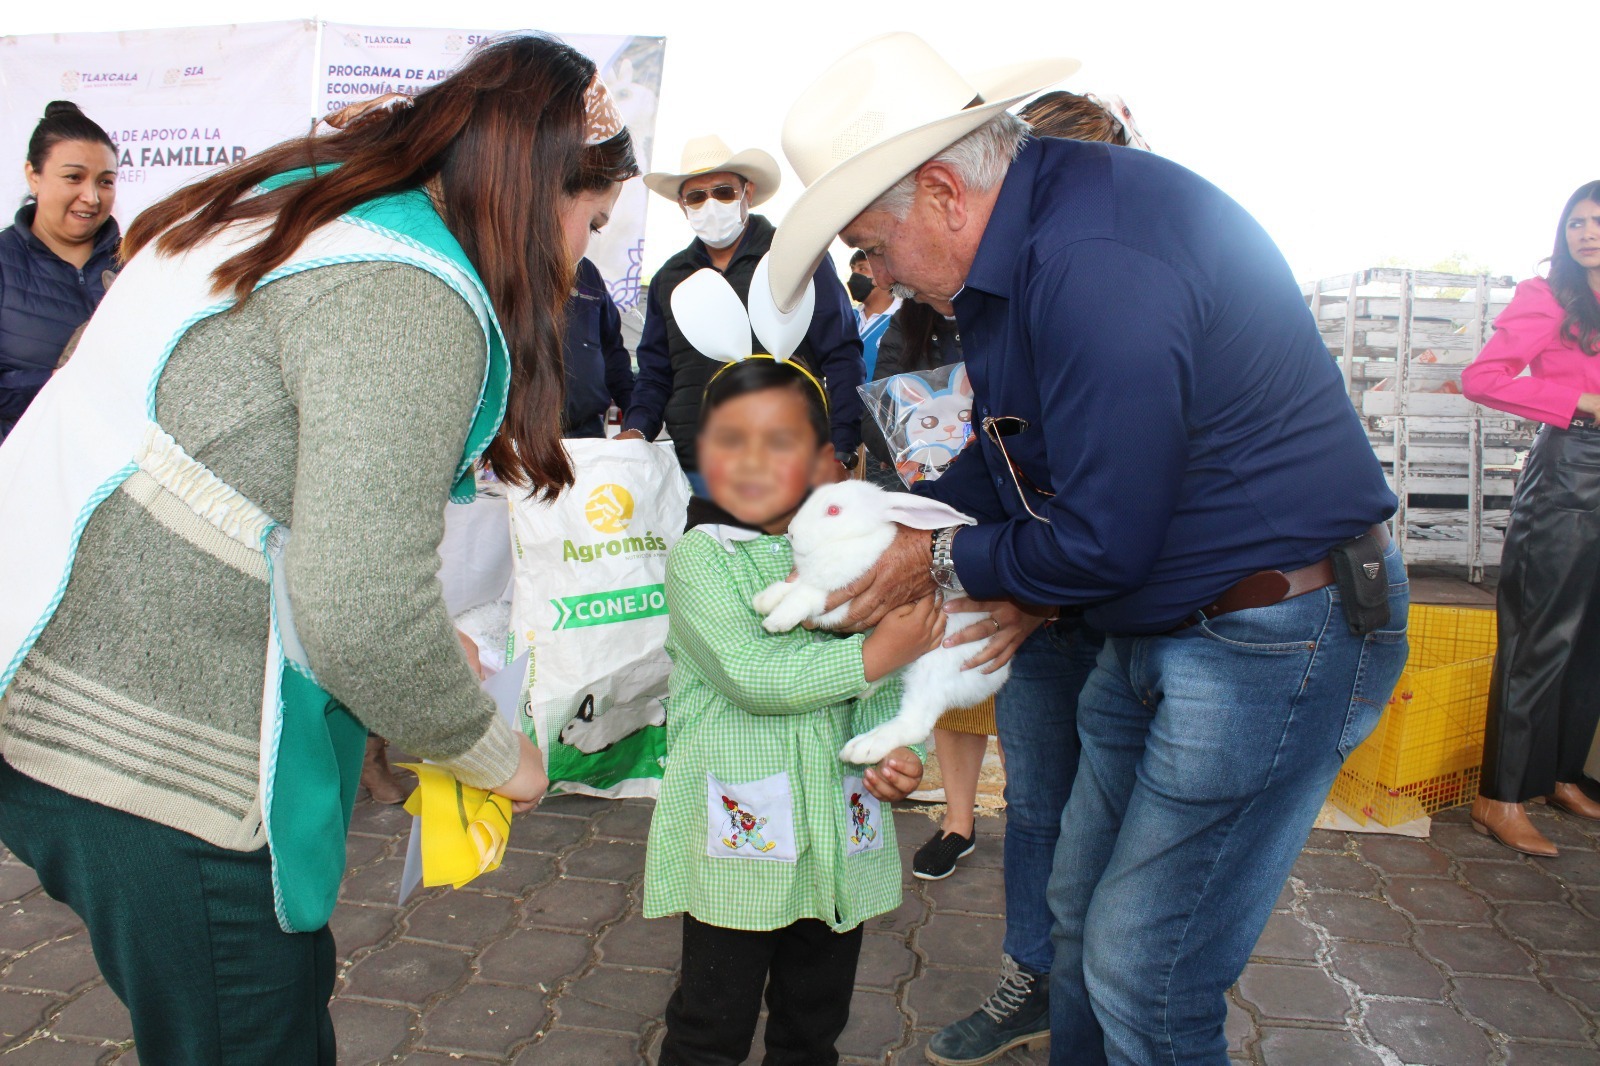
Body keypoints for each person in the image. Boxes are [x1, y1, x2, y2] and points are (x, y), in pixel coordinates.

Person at [767, 34, 1411, 1066]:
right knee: (1078, 915)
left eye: (872, 248)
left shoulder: (1089, 259)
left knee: (1143, 969)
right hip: (1171, 622)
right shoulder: (1027, 253)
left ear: (942, 193)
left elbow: (1101, 539)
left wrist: (933, 562)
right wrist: (905, 524)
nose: (875, 275)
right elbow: (1009, 457)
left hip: (1269, 630)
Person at [0, 36, 637, 1064]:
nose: (578, 258)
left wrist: (401, 668)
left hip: (56, 673)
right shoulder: (408, 289)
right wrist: (493, 751)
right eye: (589, 221)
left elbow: (263, 492)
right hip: (158, 752)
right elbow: (359, 607)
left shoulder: (301, 208)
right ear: (534, 191)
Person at [643, 355, 934, 1065]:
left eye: (778, 441)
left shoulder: (867, 562)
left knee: (813, 1027)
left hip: (838, 837)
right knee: (711, 1027)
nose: (750, 460)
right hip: (743, 849)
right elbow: (754, 676)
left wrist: (903, 752)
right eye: (729, 440)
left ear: (829, 464)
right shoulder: (704, 558)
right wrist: (873, 655)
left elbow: (897, 689)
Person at [1460, 179, 1600, 856]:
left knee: (1592, 638)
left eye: (1598, 221)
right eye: (1577, 222)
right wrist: (1582, 401)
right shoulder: (1547, 296)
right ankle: (1501, 795)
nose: (1587, 232)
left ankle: (1559, 776)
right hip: (1571, 469)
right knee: (1540, 636)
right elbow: (1482, 378)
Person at [617, 134, 864, 491]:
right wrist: (637, 430)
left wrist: (841, 448)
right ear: (682, 206)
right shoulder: (669, 279)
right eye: (696, 197)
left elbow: (841, 355)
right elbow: (655, 374)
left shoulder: (794, 256)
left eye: (723, 192)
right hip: (699, 471)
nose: (710, 204)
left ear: (747, 192)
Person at [0, 101, 120, 441]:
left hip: (117, 466)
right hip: (19, 464)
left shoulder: (137, 266)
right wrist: (58, 381)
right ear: (33, 176)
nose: (91, 197)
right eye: (73, 178)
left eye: (105, 182)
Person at [562, 255, 636, 437]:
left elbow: (612, 352)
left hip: (586, 430)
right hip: (525, 433)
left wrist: (634, 415)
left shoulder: (588, 272)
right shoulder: (514, 262)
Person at [849, 249, 900, 377]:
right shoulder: (847, 318)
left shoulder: (905, 319)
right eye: (852, 269)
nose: (854, 275)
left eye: (862, 269)